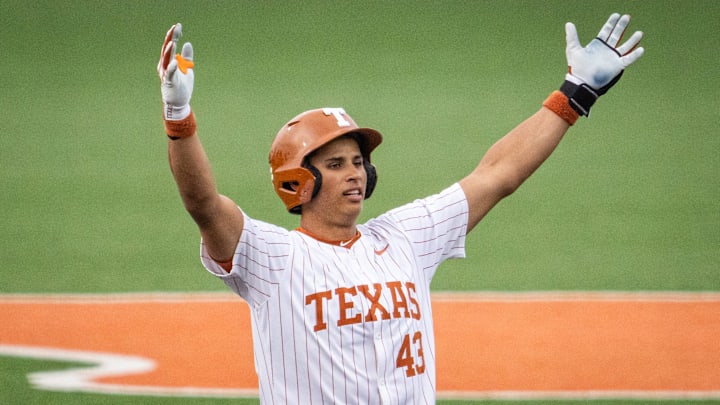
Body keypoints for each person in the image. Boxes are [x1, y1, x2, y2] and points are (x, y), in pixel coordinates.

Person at [157, 13, 644, 404]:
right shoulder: (271, 258)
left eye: (359, 162)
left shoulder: (406, 236)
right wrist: (179, 119)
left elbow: (497, 175)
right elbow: (203, 204)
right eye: (336, 163)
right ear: (298, 182)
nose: (356, 172)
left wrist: (573, 95)